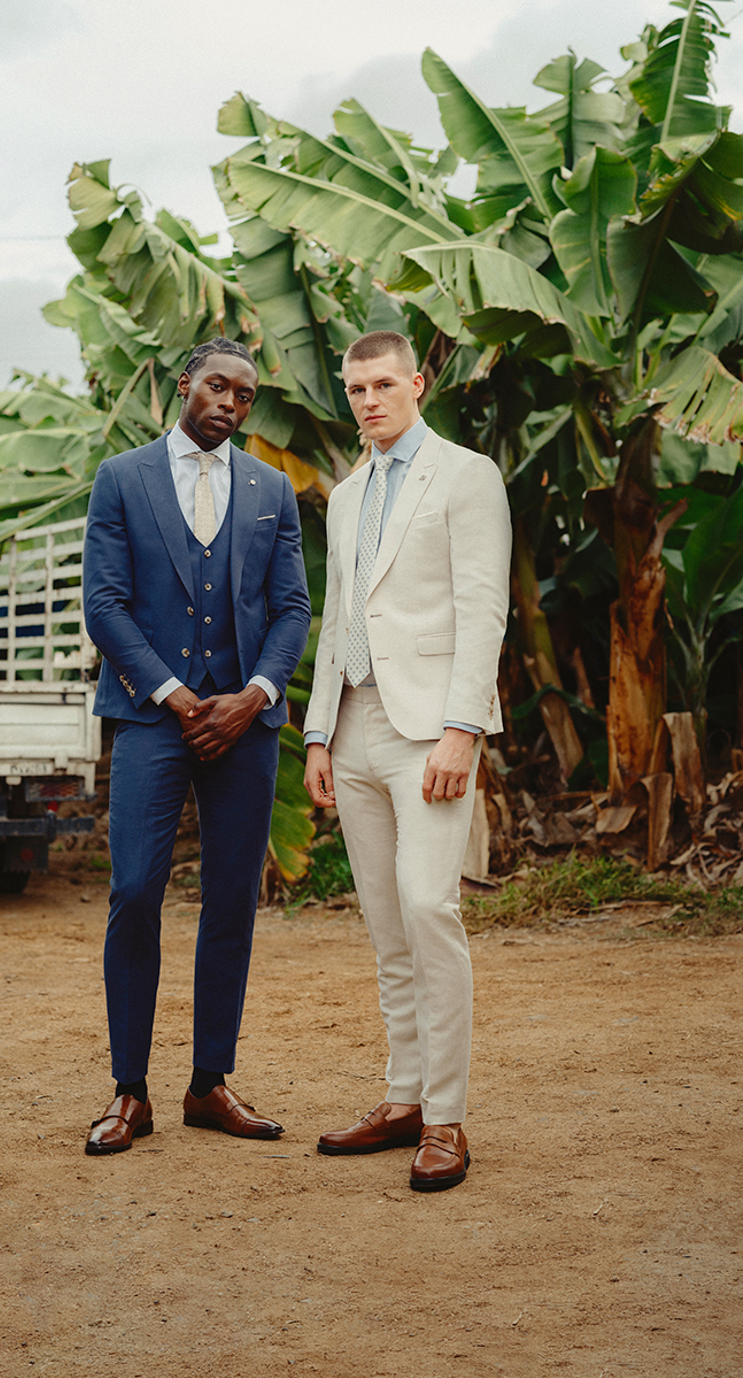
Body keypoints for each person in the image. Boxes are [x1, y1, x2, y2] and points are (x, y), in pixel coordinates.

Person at [82, 338, 311, 1155]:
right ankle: (129, 1091)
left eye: (245, 396)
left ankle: (209, 1083)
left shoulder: (271, 489)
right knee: (136, 890)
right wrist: (179, 698)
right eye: (217, 386)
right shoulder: (122, 478)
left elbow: (291, 609)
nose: (230, 403)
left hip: (245, 726)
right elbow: (104, 605)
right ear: (185, 385)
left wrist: (254, 696)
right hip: (153, 719)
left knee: (230, 903)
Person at [303, 330, 511, 1191]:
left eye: (382, 385)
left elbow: (482, 606)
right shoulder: (347, 495)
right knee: (387, 927)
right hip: (353, 726)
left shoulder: (465, 475)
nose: (368, 401)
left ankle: (449, 1119)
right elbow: (338, 616)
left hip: (430, 728)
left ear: (417, 383)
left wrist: (462, 727)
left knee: (429, 912)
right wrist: (318, 732)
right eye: (355, 390)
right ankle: (402, 1101)